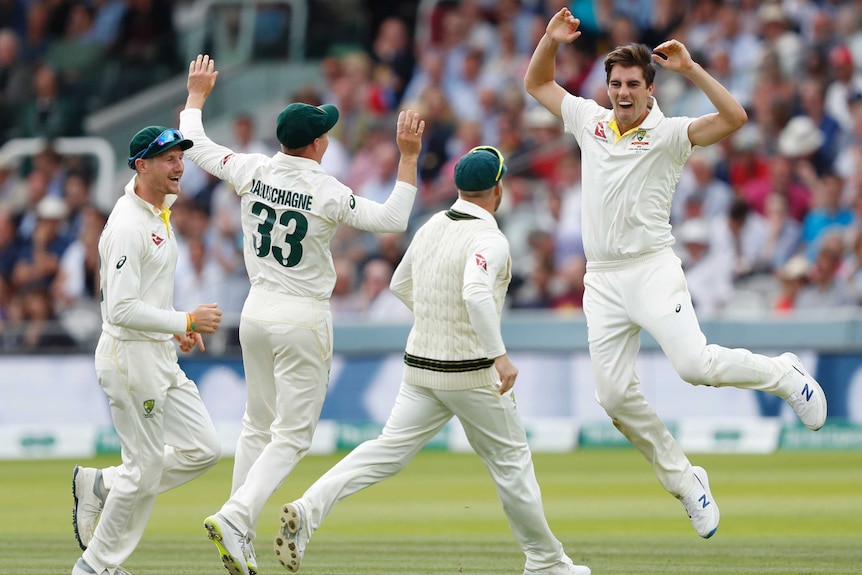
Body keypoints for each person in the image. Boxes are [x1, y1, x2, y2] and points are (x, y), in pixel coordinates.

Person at [524, 8, 827, 540]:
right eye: (615, 83)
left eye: (632, 84)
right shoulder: (590, 121)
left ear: (650, 87)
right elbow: (537, 82)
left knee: (694, 364)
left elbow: (735, 119)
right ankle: (687, 482)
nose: (622, 92)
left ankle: (785, 375)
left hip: (651, 270)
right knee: (613, 397)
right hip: (602, 281)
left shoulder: (670, 133)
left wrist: (694, 70)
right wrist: (550, 39)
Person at [273, 147, 590, 575]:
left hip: (421, 367)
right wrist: (498, 355)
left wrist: (438, 322)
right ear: (498, 189)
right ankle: (545, 561)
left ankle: (308, 509)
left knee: (385, 452)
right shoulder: (490, 239)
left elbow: (401, 284)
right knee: (511, 464)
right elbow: (476, 295)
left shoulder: (431, 224)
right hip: (472, 372)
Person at [178, 54, 424, 575]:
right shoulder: (327, 190)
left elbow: (194, 144)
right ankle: (236, 515)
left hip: (256, 309)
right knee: (291, 436)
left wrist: (197, 95)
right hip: (301, 315)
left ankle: (236, 526)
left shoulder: (253, 169)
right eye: (324, 134)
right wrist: (407, 156)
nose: (329, 139)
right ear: (314, 146)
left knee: (256, 425)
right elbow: (393, 218)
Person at [70, 125, 224, 575]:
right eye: (168, 159)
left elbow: (145, 294)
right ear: (142, 166)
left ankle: (101, 485)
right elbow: (118, 310)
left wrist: (174, 327)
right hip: (129, 360)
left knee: (204, 448)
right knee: (143, 469)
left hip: (159, 354)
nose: (180, 166)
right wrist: (186, 320)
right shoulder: (127, 225)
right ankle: (95, 567)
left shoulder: (159, 213)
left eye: (180, 157)